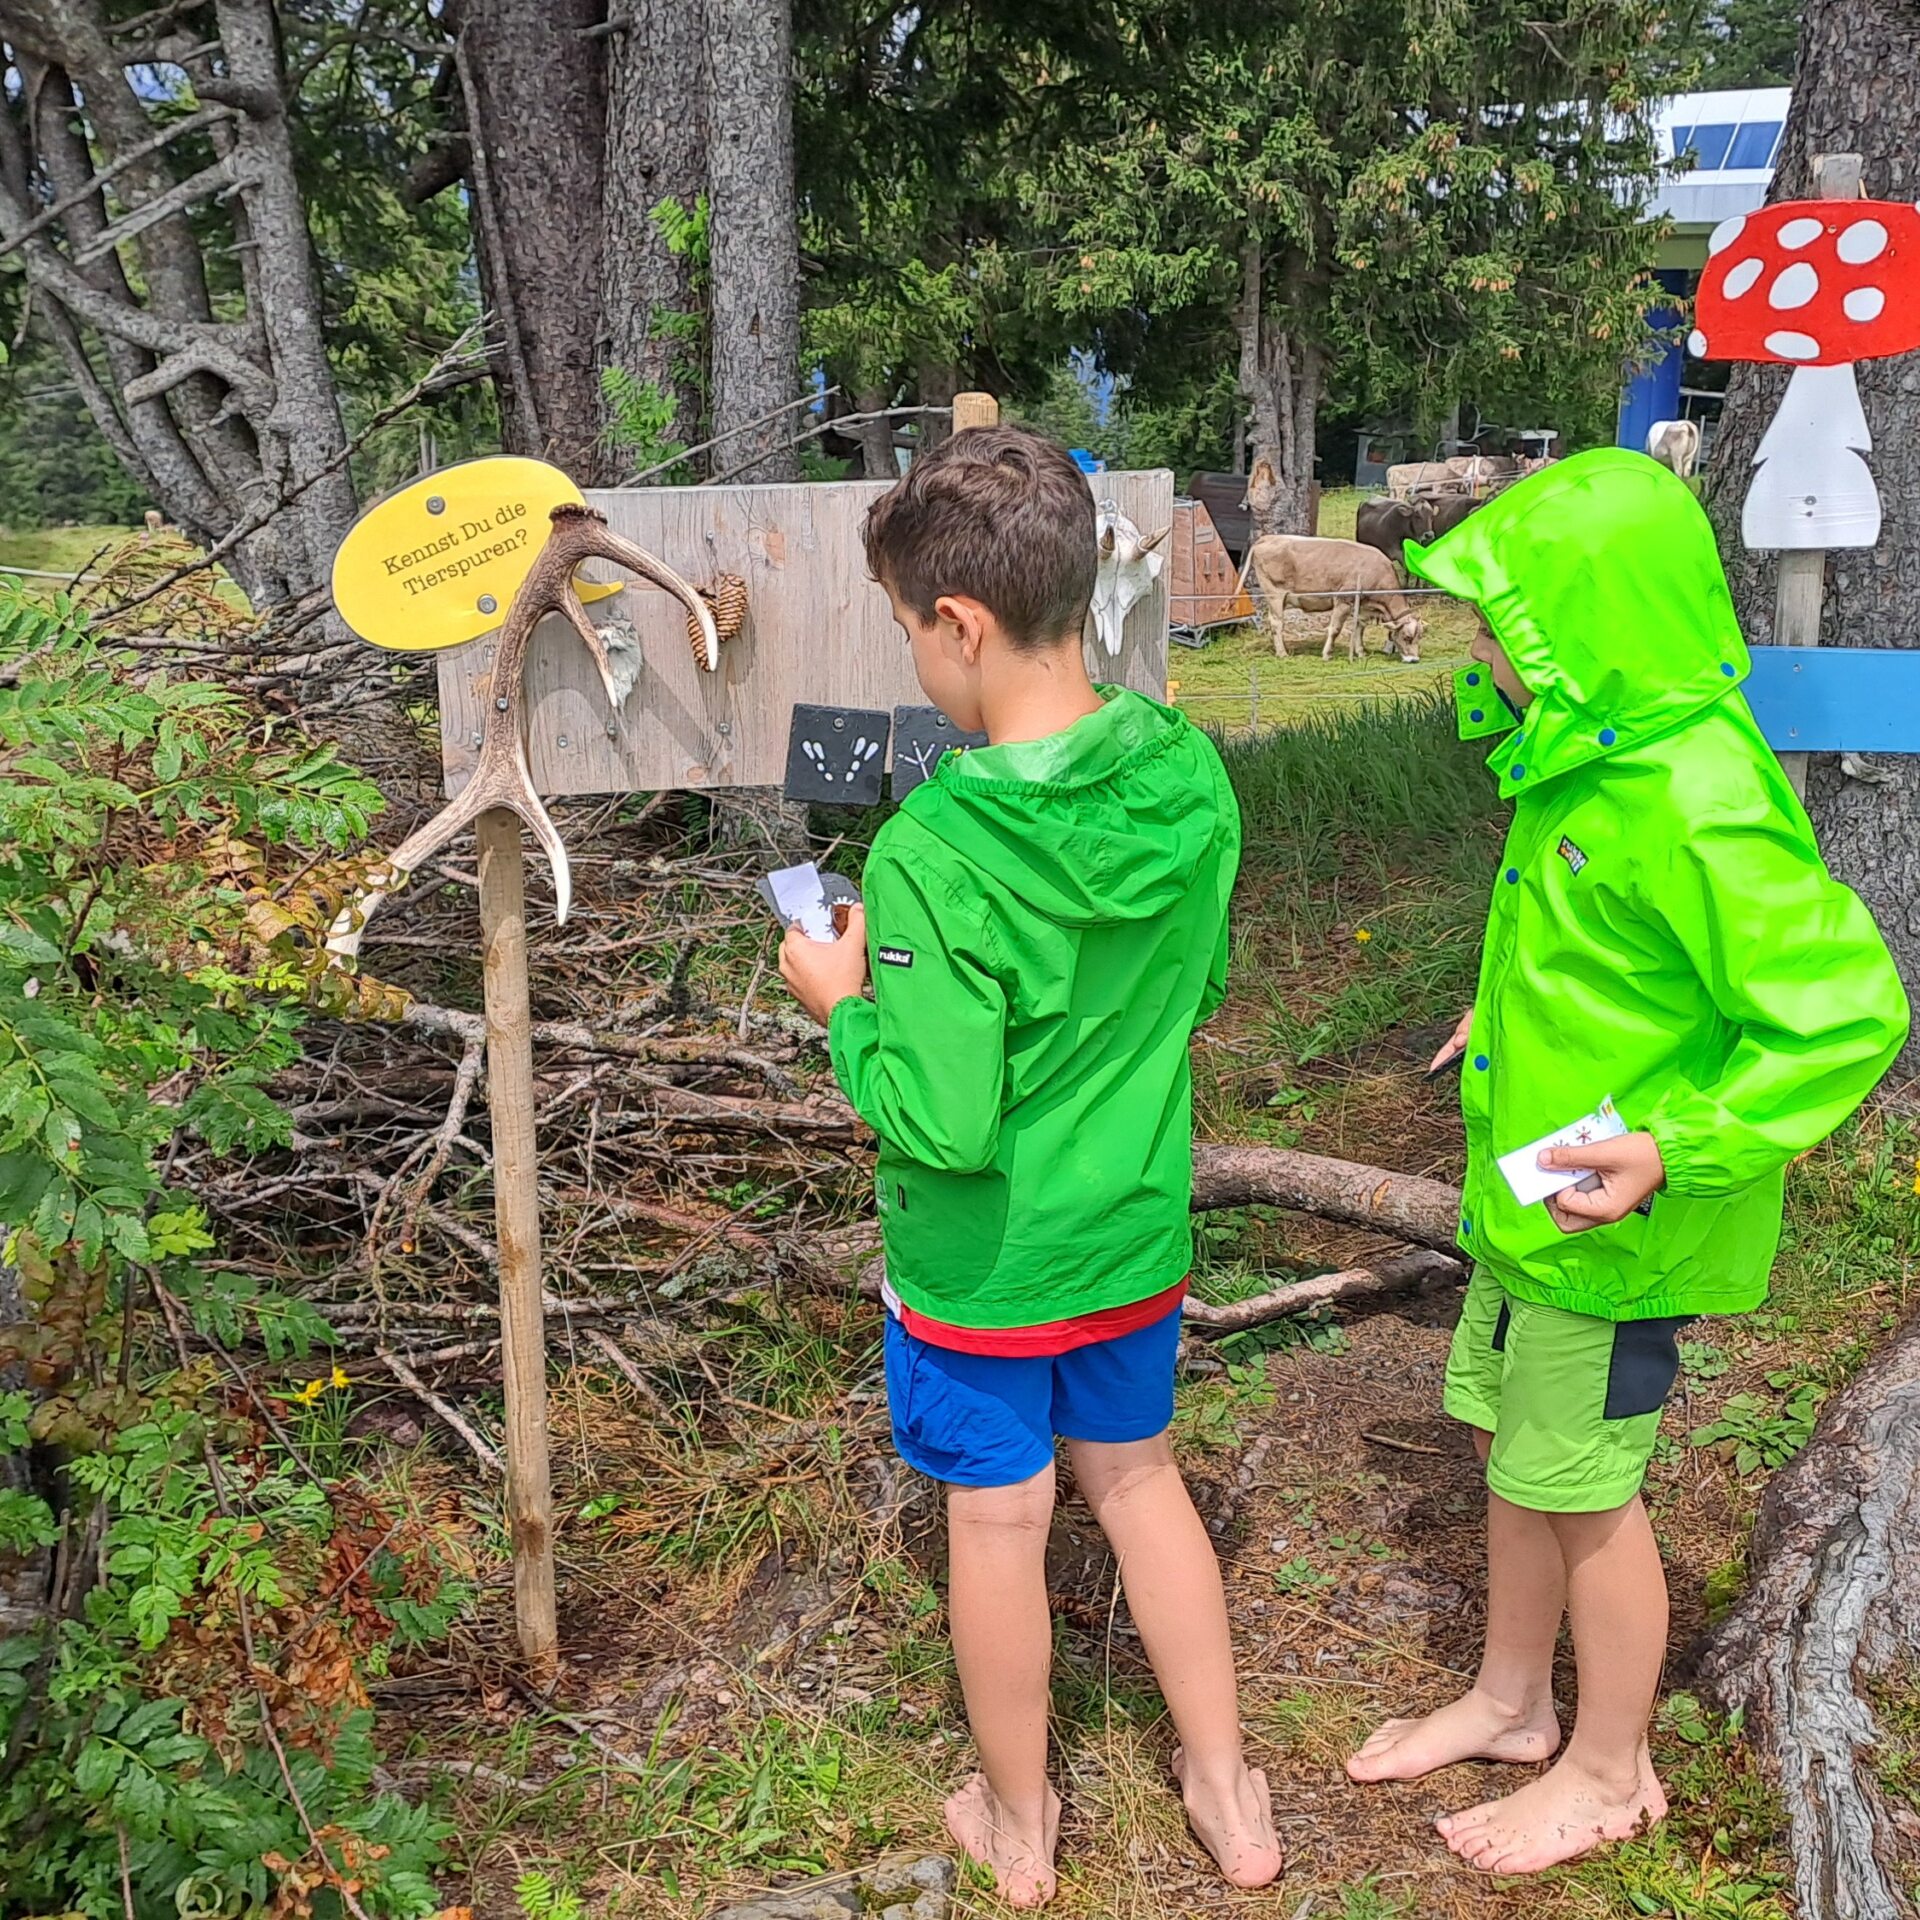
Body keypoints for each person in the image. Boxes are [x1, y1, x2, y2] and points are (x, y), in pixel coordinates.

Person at [1345, 448, 1909, 1873]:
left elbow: (1844, 1010)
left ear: (1593, 630)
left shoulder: (1695, 796)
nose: (1483, 649)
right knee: (1511, 1448)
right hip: (1533, 1207)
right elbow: (1601, 952)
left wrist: (1681, 1145)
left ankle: (1609, 1766)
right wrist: (1506, 1006)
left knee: (1589, 1494)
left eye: (1505, 625)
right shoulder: (1586, 755)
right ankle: (1513, 1700)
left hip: (1613, 1225)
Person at [777, 425, 1280, 1907]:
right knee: (1137, 1481)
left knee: (998, 1521)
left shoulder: (936, 847)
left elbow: (943, 1121)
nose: (913, 663)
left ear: (961, 625)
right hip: (1131, 1230)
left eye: (905, 633)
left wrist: (845, 1008)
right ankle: (1230, 1792)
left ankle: (1019, 1822)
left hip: (984, 1269)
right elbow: (1190, 997)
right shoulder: (1187, 774)